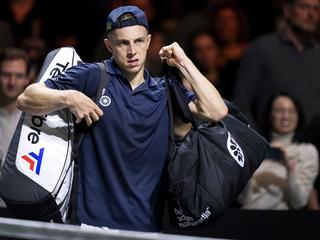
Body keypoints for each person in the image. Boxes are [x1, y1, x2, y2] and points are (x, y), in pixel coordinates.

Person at [16, 5, 228, 232]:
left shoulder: (164, 89)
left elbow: (217, 111)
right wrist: (69, 97)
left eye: (138, 41)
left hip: (146, 225)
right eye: (123, 43)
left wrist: (184, 62)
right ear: (109, 45)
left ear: (148, 42)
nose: (132, 51)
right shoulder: (94, 76)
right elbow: (26, 98)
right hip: (93, 224)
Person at [232, 0, 320, 132]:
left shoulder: (318, 53)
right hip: (272, 146)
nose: (311, 14)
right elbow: (241, 103)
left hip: (315, 147)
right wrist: (259, 145)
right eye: (304, 7)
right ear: (287, 11)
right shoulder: (261, 49)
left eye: (316, 9)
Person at [238, 92, 319, 210]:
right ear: (270, 115)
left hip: (283, 220)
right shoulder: (257, 149)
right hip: (249, 215)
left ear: (298, 116)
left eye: (291, 111)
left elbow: (299, 202)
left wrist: (289, 169)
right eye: (279, 110)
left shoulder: (307, 151)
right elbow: (243, 200)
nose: (285, 116)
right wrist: (250, 168)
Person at [0, 48, 31, 172]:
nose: (12, 82)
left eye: (19, 76)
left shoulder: (35, 118)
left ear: (27, 79)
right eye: (6, 75)